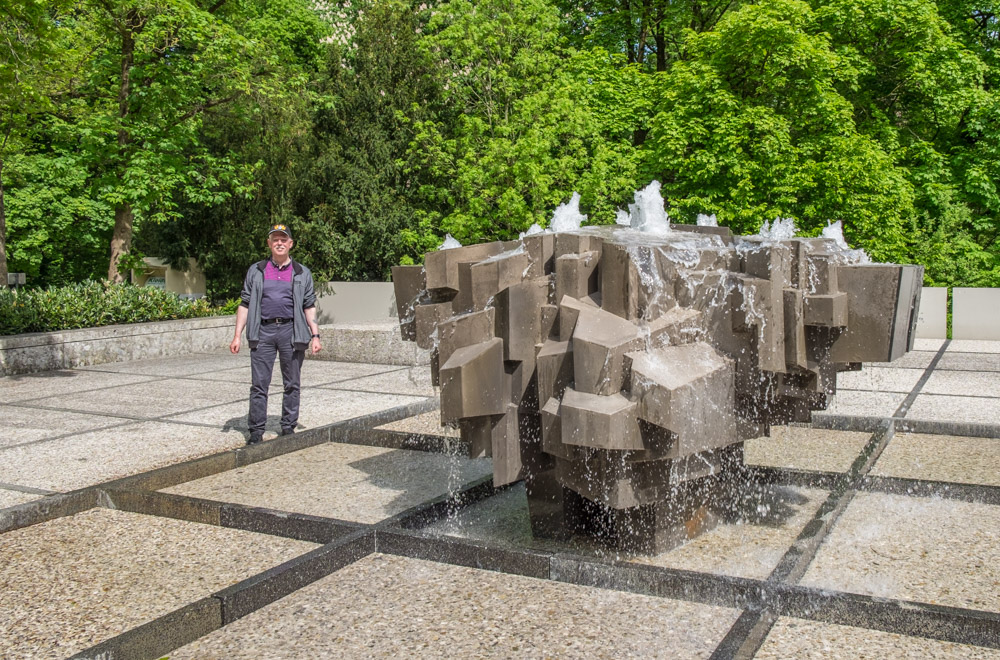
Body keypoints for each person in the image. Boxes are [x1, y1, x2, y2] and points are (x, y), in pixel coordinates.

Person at [230, 223, 322, 444]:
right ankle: (256, 431)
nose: (279, 243)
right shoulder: (257, 270)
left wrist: (315, 335)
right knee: (259, 384)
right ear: (269, 243)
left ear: (291, 244)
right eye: (275, 240)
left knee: (292, 383)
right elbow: (245, 303)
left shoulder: (301, 272)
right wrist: (237, 335)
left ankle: (288, 427)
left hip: (291, 332)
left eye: (283, 239)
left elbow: (309, 305)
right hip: (263, 332)